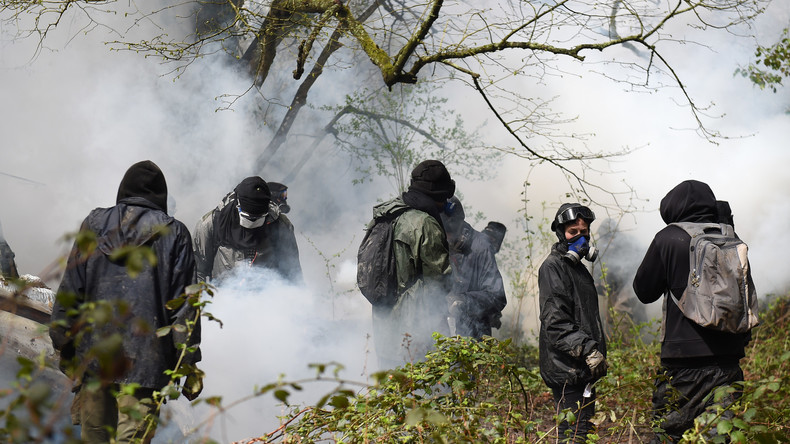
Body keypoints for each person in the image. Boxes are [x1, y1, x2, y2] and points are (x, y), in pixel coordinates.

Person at [49, 160, 202, 443]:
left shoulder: (93, 224)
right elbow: (184, 308)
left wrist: (63, 343)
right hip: (147, 368)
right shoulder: (176, 234)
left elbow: (71, 290)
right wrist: (188, 363)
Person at [632, 180, 753, 443]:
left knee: (670, 433)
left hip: (683, 363)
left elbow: (643, 291)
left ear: (672, 207)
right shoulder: (732, 239)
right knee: (719, 437)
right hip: (728, 360)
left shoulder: (668, 238)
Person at [369, 160, 455, 369]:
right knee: (424, 397)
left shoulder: (384, 216)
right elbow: (439, 281)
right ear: (440, 196)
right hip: (416, 338)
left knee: (391, 397)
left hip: (384, 335)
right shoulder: (425, 223)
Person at [538, 203, 607, 442]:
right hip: (567, 367)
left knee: (582, 432)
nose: (581, 237)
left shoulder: (577, 268)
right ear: (560, 233)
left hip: (580, 368)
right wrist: (588, 349)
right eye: (573, 232)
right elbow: (555, 323)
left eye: (584, 231)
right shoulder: (553, 267)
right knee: (574, 435)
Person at [193, 176, 302, 284]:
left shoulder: (280, 225)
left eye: (258, 218)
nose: (253, 222)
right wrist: (202, 298)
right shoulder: (211, 223)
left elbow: (292, 272)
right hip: (223, 297)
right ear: (238, 205)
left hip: (267, 297)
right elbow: (198, 271)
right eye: (249, 217)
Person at [440, 197, 507, 338]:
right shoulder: (435, 241)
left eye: (451, 231)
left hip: (473, 338)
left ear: (460, 223)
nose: (448, 236)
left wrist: (464, 301)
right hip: (440, 334)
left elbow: (497, 296)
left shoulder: (481, 247)